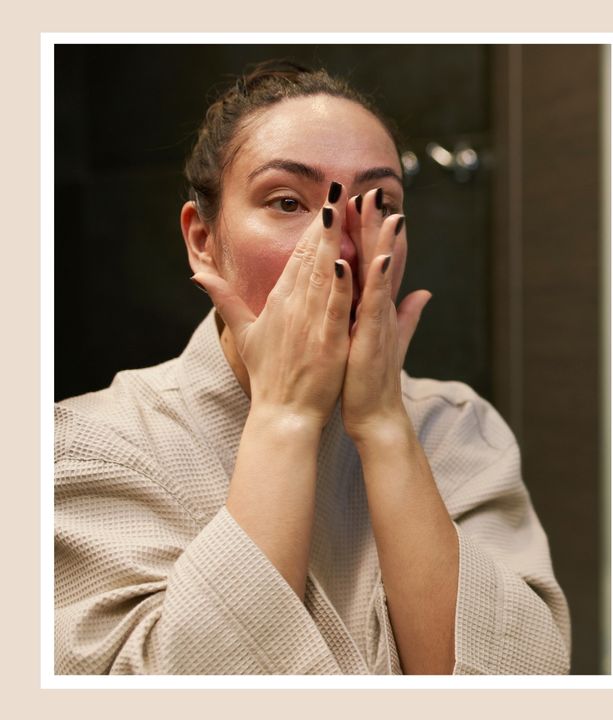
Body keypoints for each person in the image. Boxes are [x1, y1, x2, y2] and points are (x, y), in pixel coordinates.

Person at [54, 61, 570, 675]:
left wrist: (383, 423)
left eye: (379, 204)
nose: (342, 242)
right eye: (288, 201)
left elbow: (523, 685)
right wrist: (285, 416)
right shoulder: (85, 444)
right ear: (202, 238)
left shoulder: (457, 428)